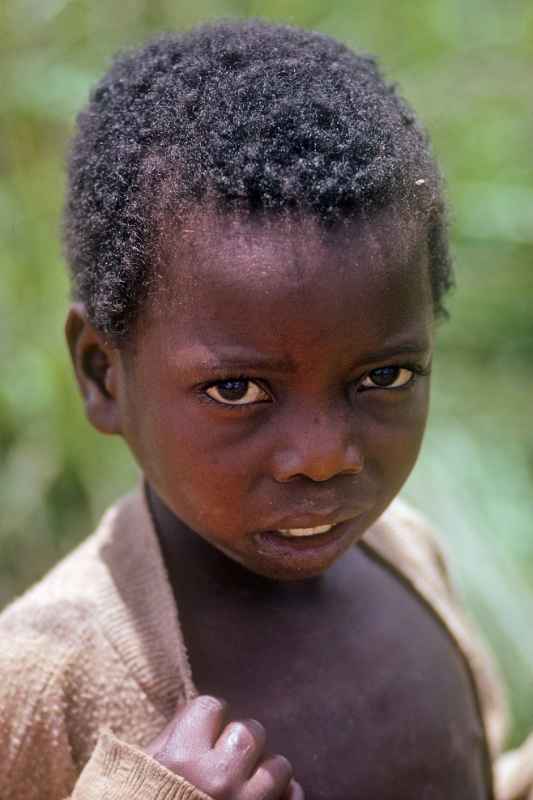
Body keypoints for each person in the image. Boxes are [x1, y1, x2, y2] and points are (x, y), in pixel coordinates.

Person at [0, 18, 531, 800]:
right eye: (237, 389)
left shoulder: (406, 555)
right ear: (102, 374)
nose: (323, 455)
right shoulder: (46, 675)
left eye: (381, 376)